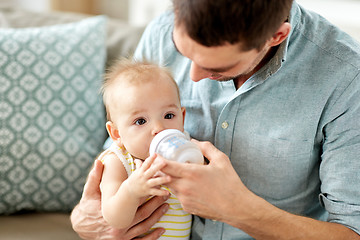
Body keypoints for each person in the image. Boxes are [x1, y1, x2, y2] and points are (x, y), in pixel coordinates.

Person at [71, 0, 360, 239]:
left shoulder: (345, 78)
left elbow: (351, 231)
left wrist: (238, 209)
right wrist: (90, 218)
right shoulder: (162, 32)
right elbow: (120, 144)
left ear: (276, 36)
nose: (193, 76)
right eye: (184, 53)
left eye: (216, 66)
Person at [96, 59, 191, 239]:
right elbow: (113, 217)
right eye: (140, 121)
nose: (159, 128)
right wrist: (131, 191)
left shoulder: (184, 149)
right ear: (117, 134)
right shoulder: (118, 161)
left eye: (169, 115)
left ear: (182, 117)